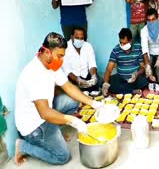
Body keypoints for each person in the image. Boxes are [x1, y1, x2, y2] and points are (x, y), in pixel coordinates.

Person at [14, 32, 104, 166]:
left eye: (63, 56)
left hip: (45, 112)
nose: (61, 60)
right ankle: (23, 146)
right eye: (59, 56)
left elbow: (69, 87)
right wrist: (73, 120)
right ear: (46, 52)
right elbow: (44, 113)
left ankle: (55, 133)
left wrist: (93, 103)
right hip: (34, 126)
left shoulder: (51, 65)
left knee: (72, 101)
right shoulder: (34, 74)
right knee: (63, 157)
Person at [102, 28, 148, 95]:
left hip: (135, 79)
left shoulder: (138, 47)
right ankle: (132, 91)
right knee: (110, 82)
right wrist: (105, 84)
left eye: (125, 43)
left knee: (144, 81)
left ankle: (126, 91)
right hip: (121, 79)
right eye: (121, 43)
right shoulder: (116, 50)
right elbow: (109, 69)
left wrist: (136, 74)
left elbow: (142, 68)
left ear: (131, 41)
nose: (122, 45)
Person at [62, 27, 99, 94]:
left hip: (87, 75)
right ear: (72, 37)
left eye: (81, 38)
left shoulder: (88, 46)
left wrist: (93, 77)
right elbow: (67, 70)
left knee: (94, 93)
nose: (79, 40)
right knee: (78, 95)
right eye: (77, 38)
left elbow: (92, 64)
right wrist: (78, 80)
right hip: (73, 78)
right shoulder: (65, 48)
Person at [140, 8, 159, 82]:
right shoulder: (144, 30)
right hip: (150, 53)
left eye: (153, 19)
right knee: (150, 73)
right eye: (149, 20)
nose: (151, 22)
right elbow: (145, 48)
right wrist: (147, 64)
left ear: (157, 18)